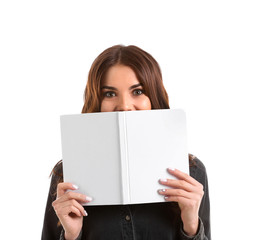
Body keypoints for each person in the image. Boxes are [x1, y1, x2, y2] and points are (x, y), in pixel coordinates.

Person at [41, 45, 211, 240]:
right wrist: (71, 236)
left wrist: (191, 226)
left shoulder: (191, 172)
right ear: (97, 101)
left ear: (153, 98)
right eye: (110, 94)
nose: (124, 106)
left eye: (137, 91)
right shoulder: (67, 175)